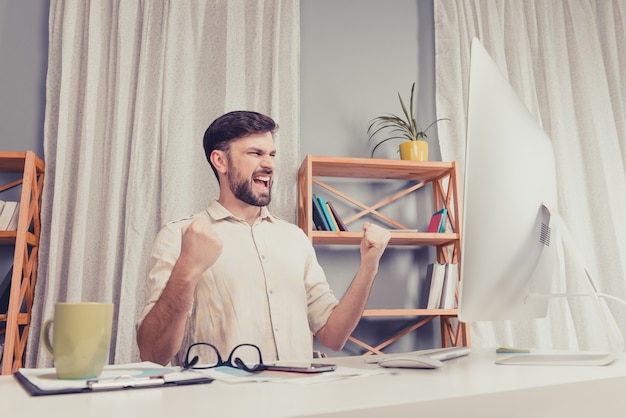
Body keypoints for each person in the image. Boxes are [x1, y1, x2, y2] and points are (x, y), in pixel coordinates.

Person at [136, 110, 390, 366]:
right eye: (255, 153)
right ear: (220, 161)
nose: (269, 164)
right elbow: (153, 354)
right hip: (219, 404)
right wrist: (186, 269)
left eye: (271, 154)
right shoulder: (180, 236)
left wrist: (369, 265)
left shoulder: (294, 238)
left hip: (299, 402)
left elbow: (334, 336)